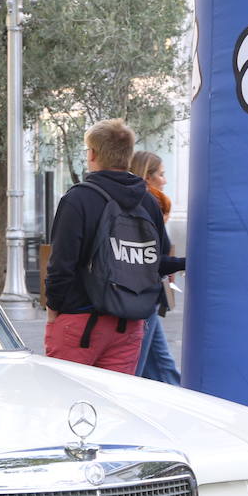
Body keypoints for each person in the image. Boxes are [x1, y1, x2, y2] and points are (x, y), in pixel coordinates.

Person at [44, 119, 185, 374]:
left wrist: (53, 309)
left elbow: (61, 264)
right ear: (128, 156)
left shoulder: (79, 198)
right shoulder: (148, 200)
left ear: (93, 154)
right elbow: (155, 260)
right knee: (113, 406)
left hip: (80, 323)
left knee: (66, 403)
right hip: (128, 325)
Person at [128, 151, 182, 386]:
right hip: (144, 296)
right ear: (147, 177)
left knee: (161, 364)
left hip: (148, 298)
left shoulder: (152, 204)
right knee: (139, 368)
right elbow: (154, 258)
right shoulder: (149, 204)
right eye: (161, 174)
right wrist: (186, 263)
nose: (165, 180)